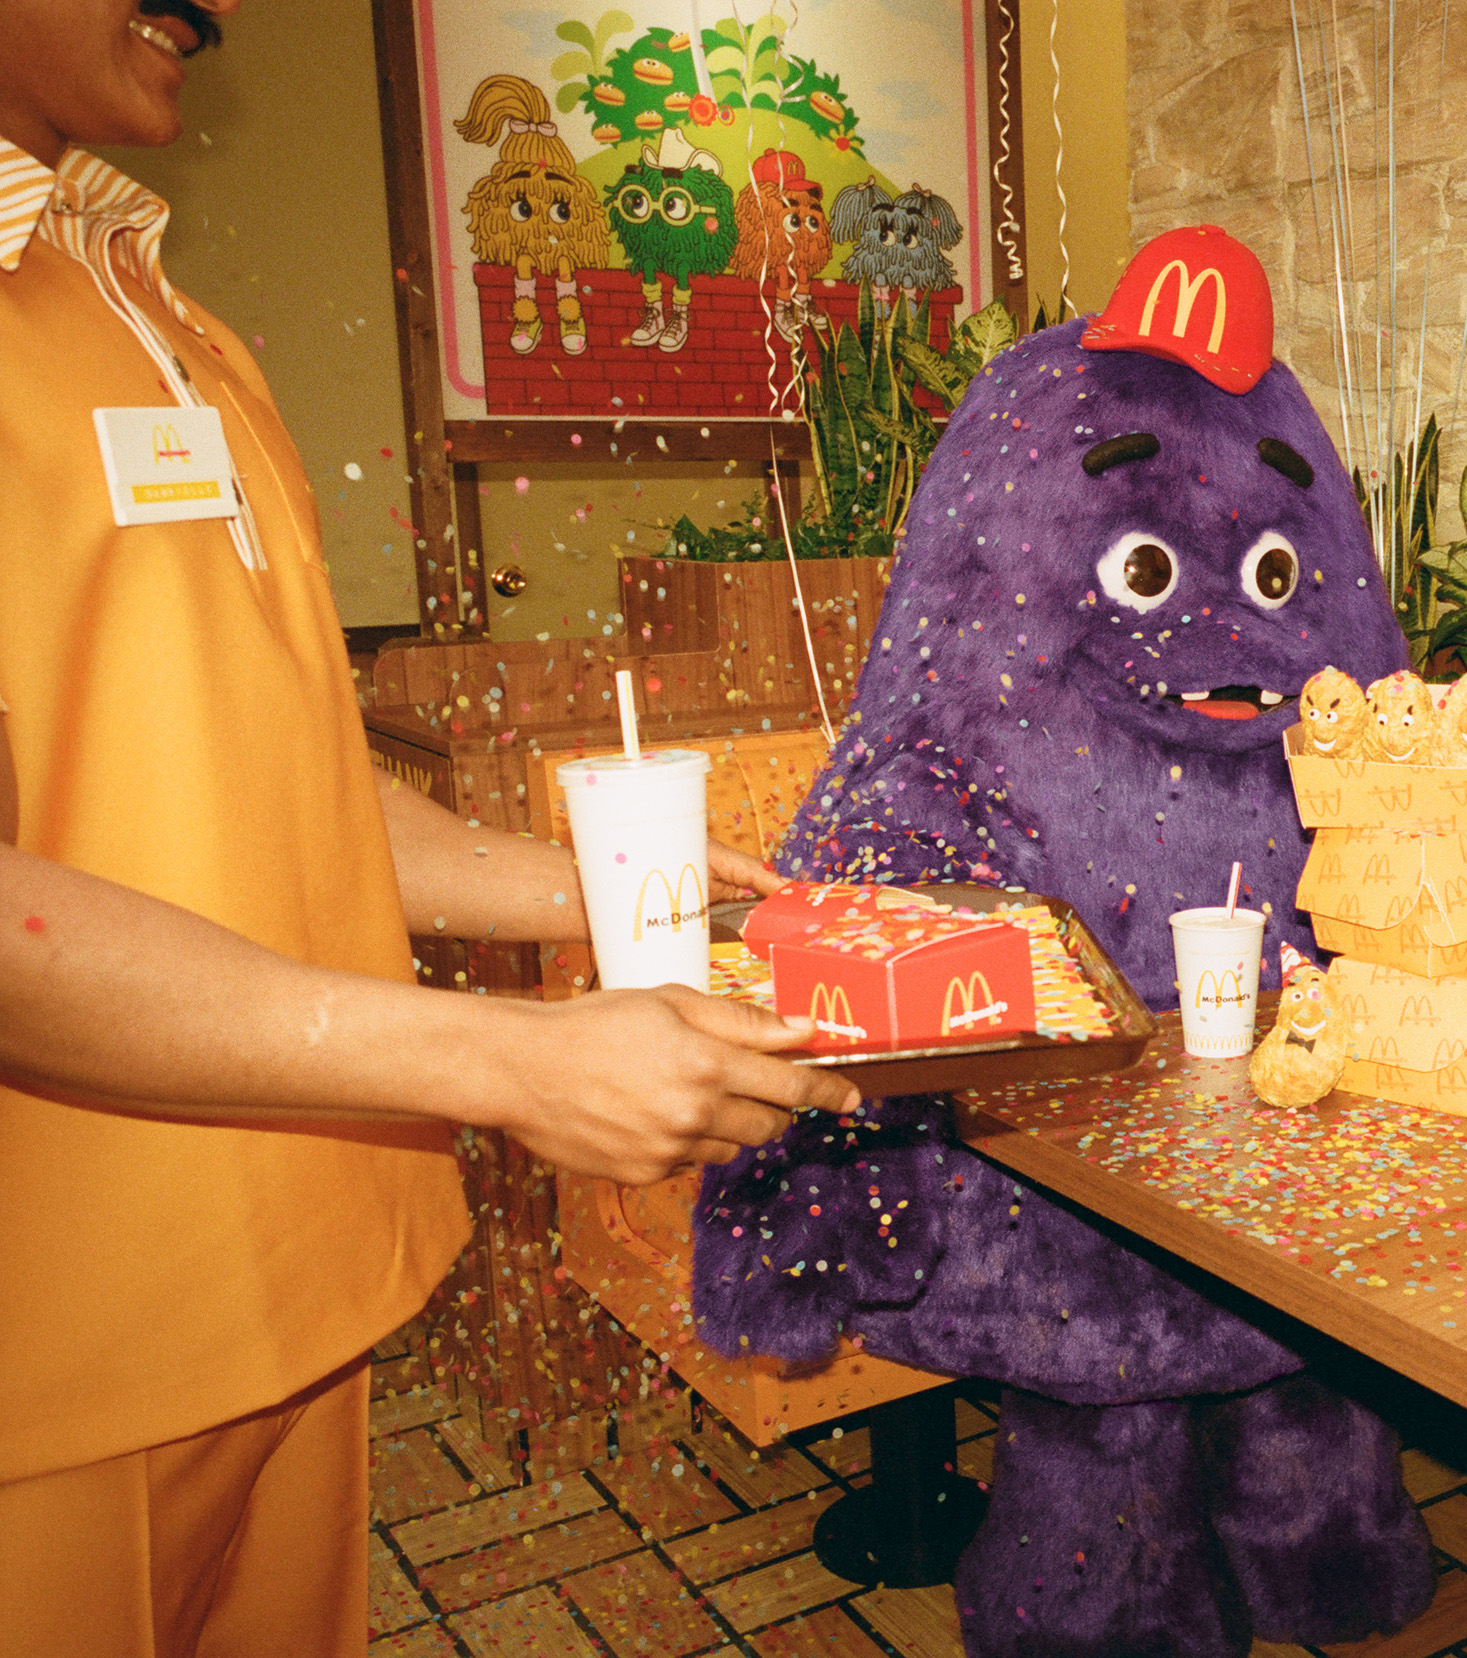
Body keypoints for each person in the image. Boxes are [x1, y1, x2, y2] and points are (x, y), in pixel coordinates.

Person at [0, 3, 856, 1653]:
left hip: (301, 1293)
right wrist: (508, 1063)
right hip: (62, 1353)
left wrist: (623, 904)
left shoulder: (176, 322)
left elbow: (290, 778)